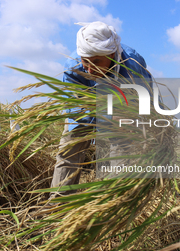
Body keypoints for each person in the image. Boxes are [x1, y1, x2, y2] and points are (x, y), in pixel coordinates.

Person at [50, 21, 152, 196]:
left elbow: (147, 96)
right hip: (84, 109)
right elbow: (75, 107)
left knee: (120, 152)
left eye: (96, 62)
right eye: (85, 62)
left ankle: (112, 203)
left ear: (112, 54)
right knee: (69, 150)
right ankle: (57, 205)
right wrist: (104, 117)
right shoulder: (73, 67)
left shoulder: (133, 65)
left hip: (121, 111)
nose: (89, 69)